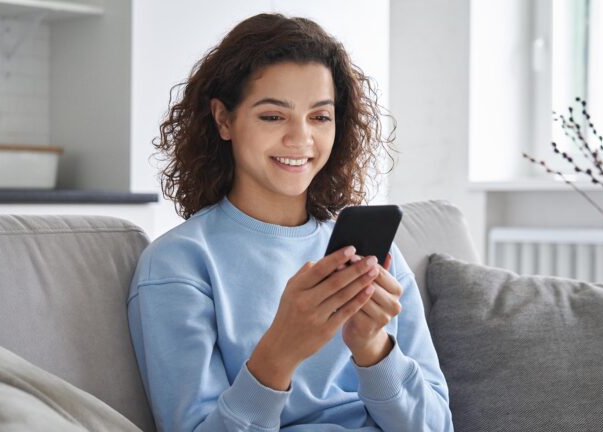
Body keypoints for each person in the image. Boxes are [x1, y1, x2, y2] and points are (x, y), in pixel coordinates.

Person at [127, 13, 453, 432]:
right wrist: (280, 352)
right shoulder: (177, 265)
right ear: (224, 120)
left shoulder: (375, 257)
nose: (301, 139)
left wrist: (372, 348)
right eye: (272, 116)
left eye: (320, 117)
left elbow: (437, 427)